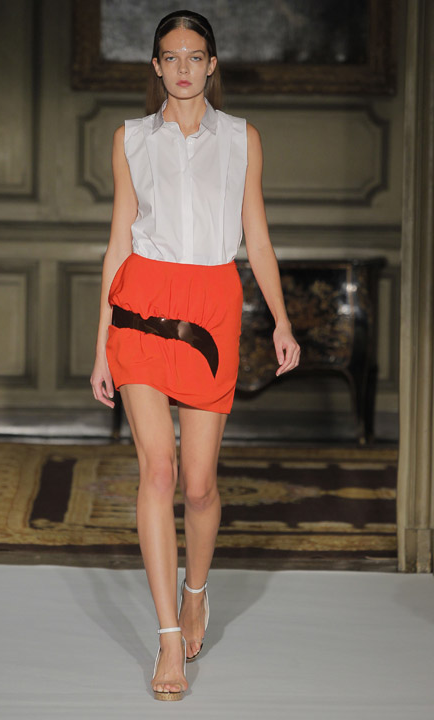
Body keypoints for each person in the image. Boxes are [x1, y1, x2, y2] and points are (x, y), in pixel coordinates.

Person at [90, 9, 300, 702]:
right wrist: (100, 348)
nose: (183, 68)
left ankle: (196, 591)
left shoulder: (242, 139)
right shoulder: (130, 139)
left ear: (212, 64)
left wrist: (281, 320)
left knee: (200, 485)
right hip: (141, 307)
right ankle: (167, 639)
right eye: (170, 57)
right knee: (158, 469)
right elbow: (119, 243)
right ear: (156, 66)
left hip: (211, 306)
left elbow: (257, 238)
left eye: (195, 56)